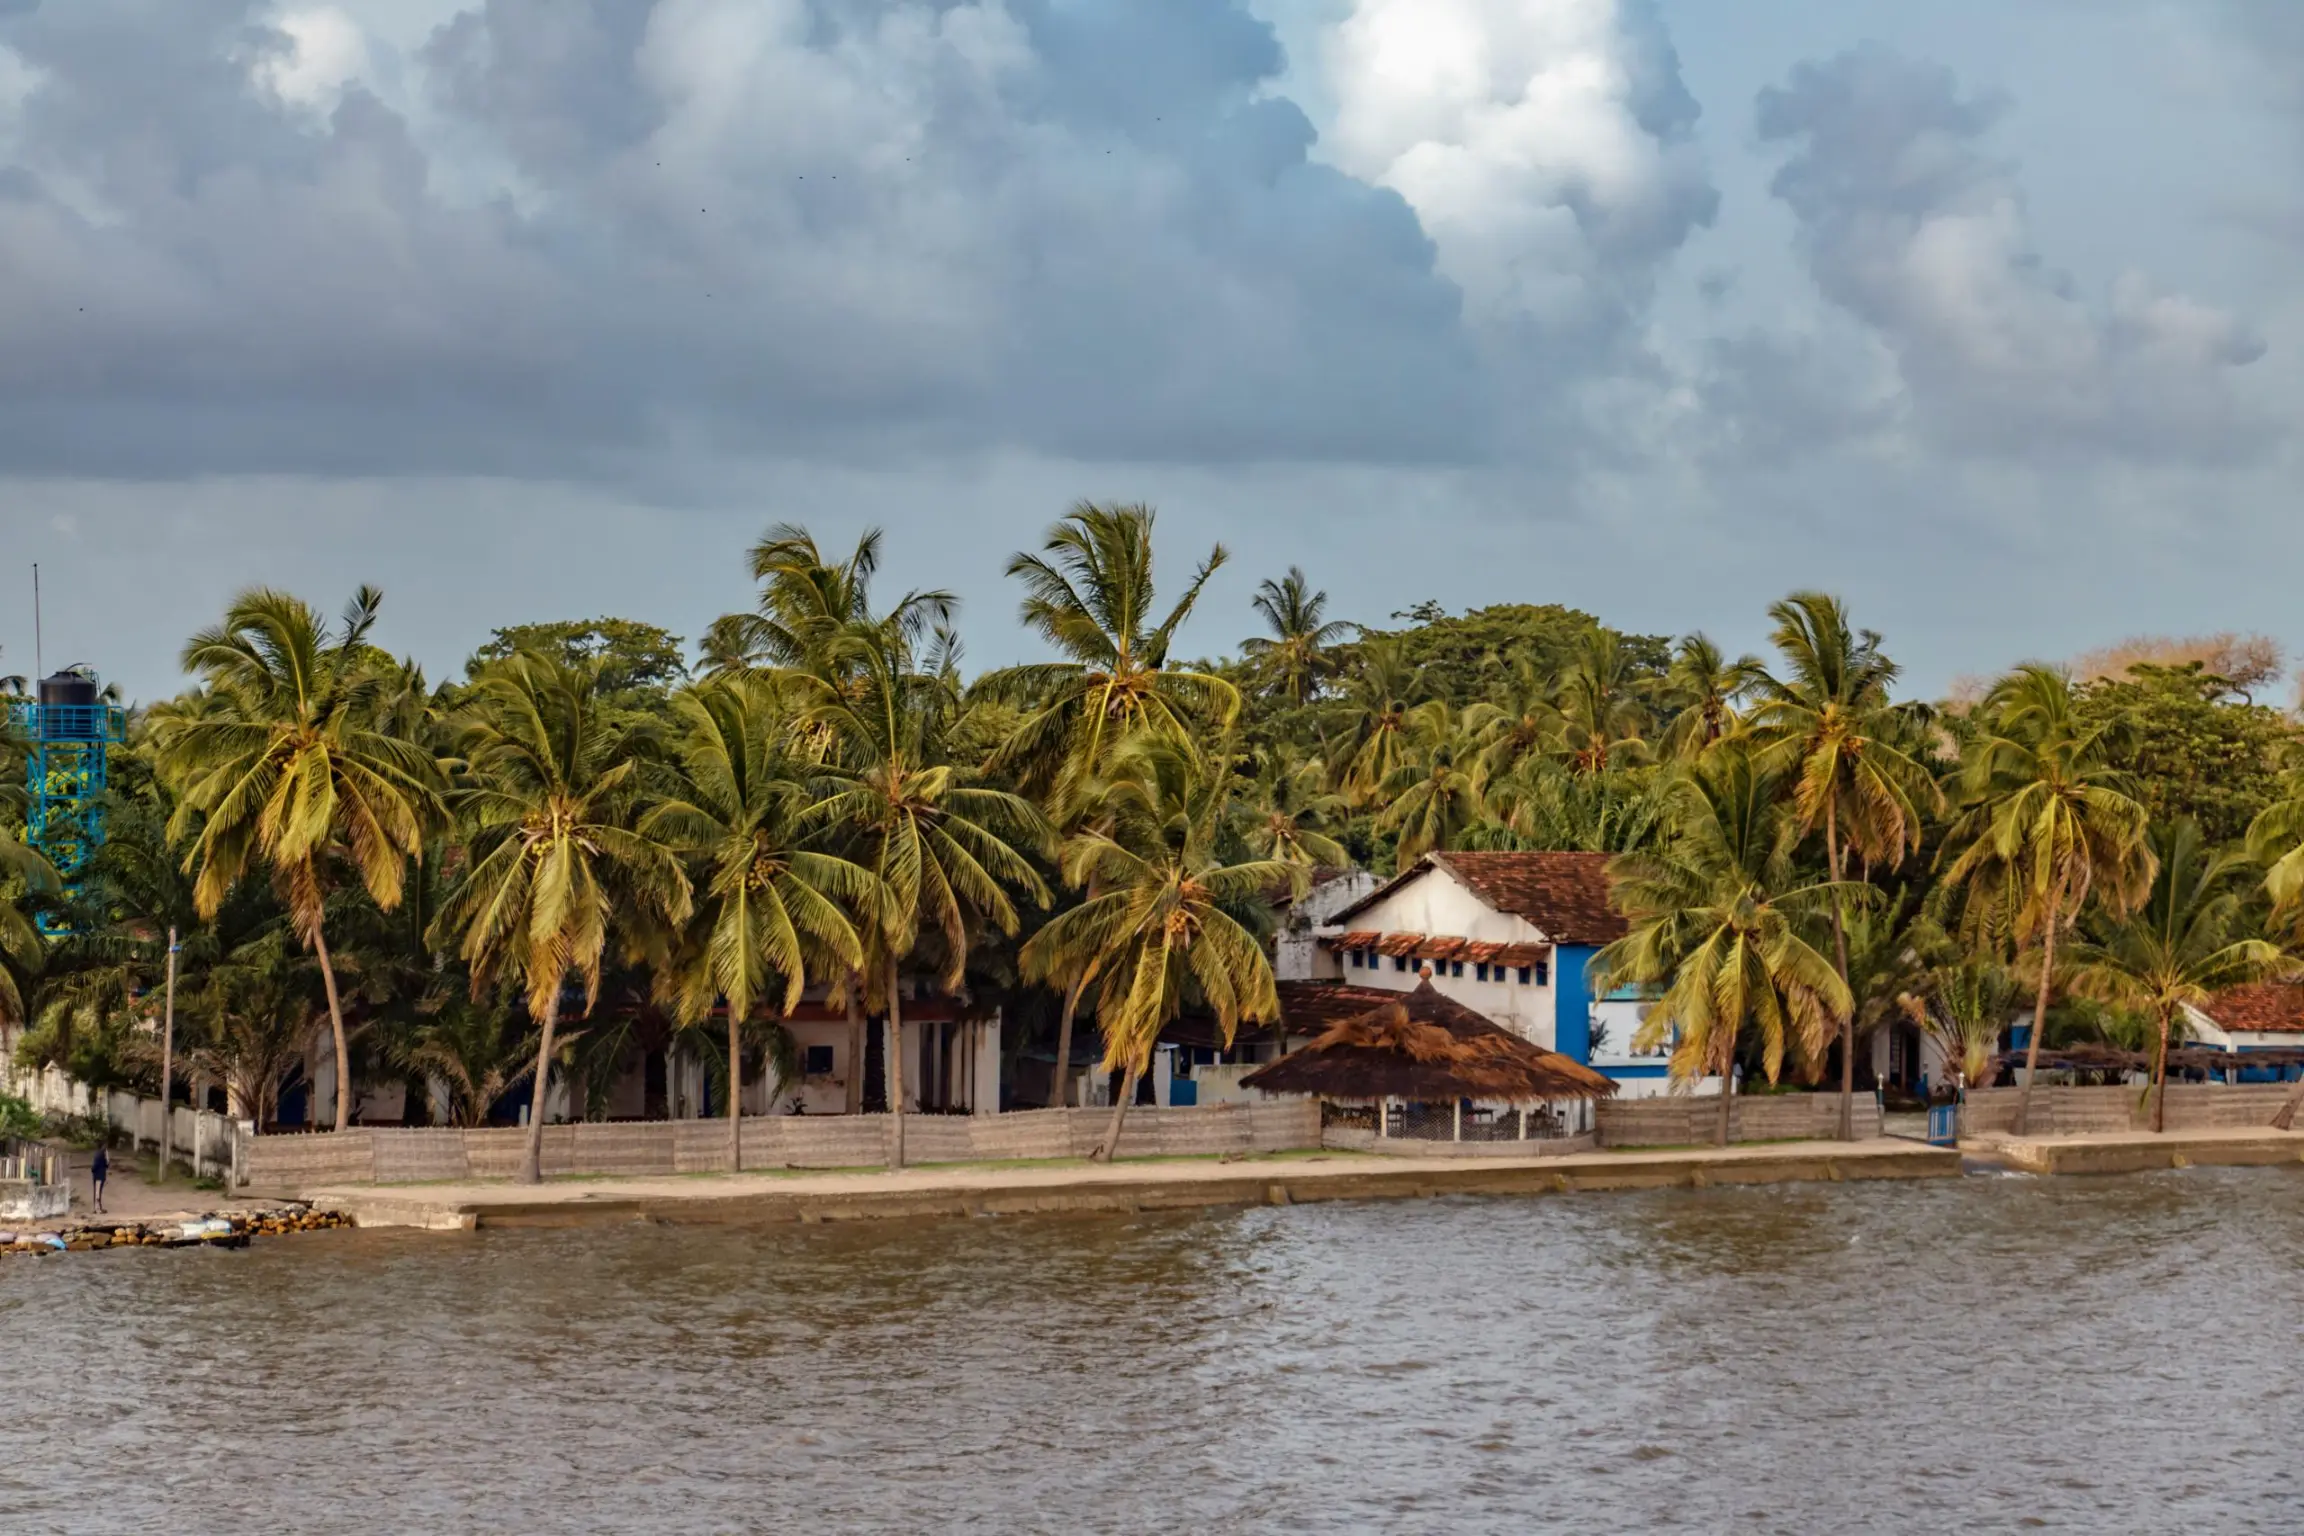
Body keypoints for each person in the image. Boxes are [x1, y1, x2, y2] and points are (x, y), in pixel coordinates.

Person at [90, 1145, 109, 1215]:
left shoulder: (98, 1154)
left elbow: (95, 1166)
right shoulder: (102, 1155)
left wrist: (92, 1169)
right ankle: (98, 1208)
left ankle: (97, 1208)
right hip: (100, 1176)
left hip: (97, 1176)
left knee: (97, 1192)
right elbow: (107, 1165)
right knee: (98, 1192)